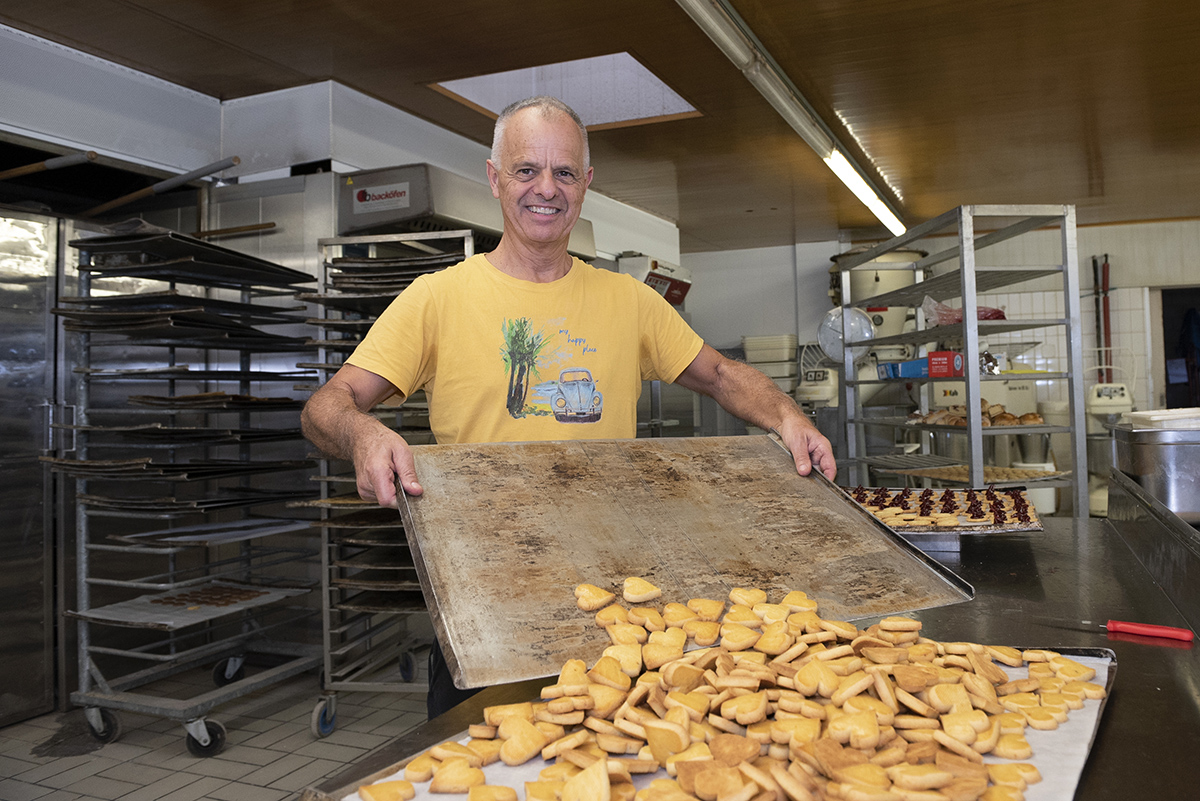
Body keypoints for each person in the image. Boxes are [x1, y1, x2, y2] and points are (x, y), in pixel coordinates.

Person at [301, 95, 836, 718]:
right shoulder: (436, 299)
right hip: (489, 600)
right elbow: (326, 406)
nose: (545, 190)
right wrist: (363, 433)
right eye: (527, 170)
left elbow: (719, 374)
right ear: (495, 177)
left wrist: (789, 416)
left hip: (618, 599)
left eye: (564, 173)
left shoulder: (627, 300)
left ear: (586, 183)